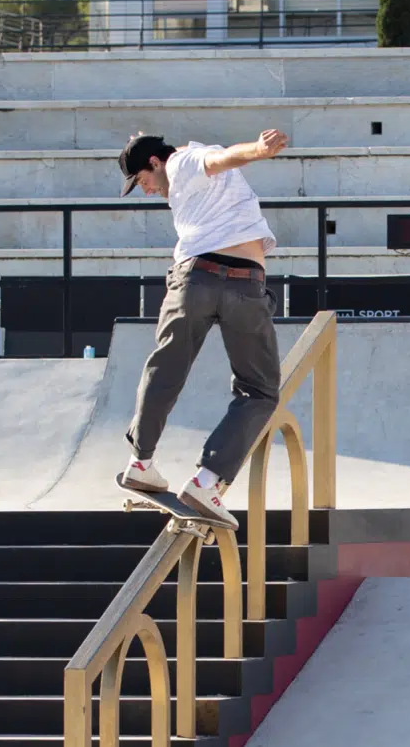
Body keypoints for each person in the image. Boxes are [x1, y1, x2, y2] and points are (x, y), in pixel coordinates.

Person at [114, 130, 289, 530]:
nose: (147, 192)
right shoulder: (181, 180)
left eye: (143, 181)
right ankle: (206, 482)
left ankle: (141, 462)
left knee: (167, 367)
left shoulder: (182, 162)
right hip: (244, 286)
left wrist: (258, 152)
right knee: (259, 391)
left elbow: (222, 159)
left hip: (194, 280)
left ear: (155, 163)